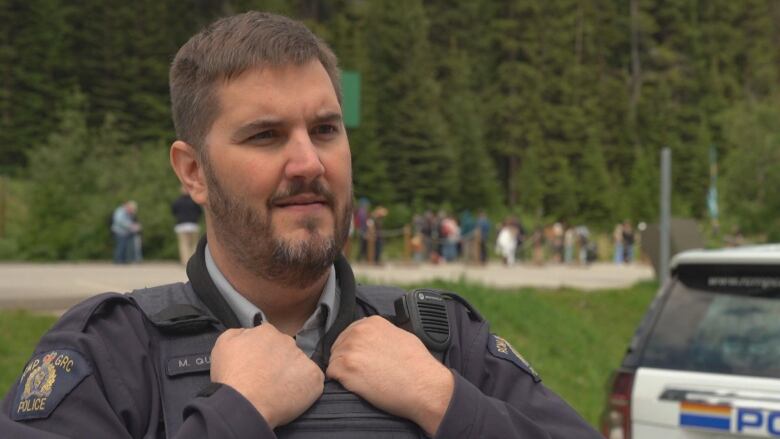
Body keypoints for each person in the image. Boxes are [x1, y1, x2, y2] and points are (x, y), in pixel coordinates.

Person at [1, 12, 601, 439]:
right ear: (193, 172)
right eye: (265, 135)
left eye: (325, 130)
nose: (309, 163)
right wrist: (236, 414)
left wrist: (447, 404)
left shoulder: (446, 342)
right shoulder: (110, 355)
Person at [172, 185, 204, 264]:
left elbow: (174, 212)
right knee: (194, 244)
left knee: (184, 245)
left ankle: (185, 261)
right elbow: (199, 212)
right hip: (193, 225)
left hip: (181, 226)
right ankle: (193, 262)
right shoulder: (194, 201)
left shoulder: (177, 202)